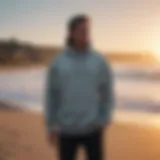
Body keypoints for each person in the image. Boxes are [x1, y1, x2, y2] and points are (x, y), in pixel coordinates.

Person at [45, 14, 114, 160]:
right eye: (81, 30)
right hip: (66, 129)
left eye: (87, 30)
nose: (85, 33)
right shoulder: (58, 63)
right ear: (71, 33)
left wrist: (104, 118)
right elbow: (52, 96)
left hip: (93, 129)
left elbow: (107, 92)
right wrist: (51, 126)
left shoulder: (99, 61)